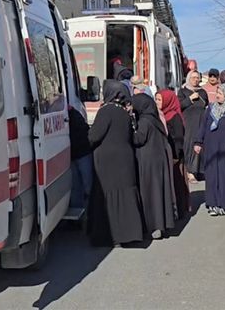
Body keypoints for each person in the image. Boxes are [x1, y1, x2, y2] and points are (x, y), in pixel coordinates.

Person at [87, 80, 145, 247]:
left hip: (108, 161)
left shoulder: (106, 110)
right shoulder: (124, 112)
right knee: (124, 195)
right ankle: (127, 234)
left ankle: (109, 236)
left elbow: (95, 136)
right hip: (125, 158)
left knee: (107, 195)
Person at [194, 83, 225, 216]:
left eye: (220, 94)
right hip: (211, 148)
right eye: (217, 93)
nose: (217, 96)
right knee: (212, 176)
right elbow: (203, 126)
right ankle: (213, 204)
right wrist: (198, 142)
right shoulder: (211, 108)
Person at [132, 93, 176, 239]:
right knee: (159, 193)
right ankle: (161, 225)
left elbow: (138, 139)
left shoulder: (145, 121)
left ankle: (153, 225)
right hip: (158, 160)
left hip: (148, 162)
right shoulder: (154, 118)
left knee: (150, 194)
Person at [157, 88, 191, 218]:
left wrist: (175, 156)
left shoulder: (174, 116)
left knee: (178, 183)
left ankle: (180, 210)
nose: (157, 102)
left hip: (175, 156)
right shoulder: (160, 115)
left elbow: (179, 138)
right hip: (167, 155)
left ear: (168, 101)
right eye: (156, 99)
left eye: (160, 100)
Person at [178, 70, 209, 180]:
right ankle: (190, 171)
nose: (196, 80)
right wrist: (190, 99)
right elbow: (179, 105)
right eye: (193, 78)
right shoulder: (183, 91)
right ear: (188, 78)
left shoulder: (202, 92)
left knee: (200, 144)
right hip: (189, 122)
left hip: (201, 121)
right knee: (189, 145)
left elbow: (206, 104)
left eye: (197, 78)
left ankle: (199, 170)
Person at [68, 105, 93, 211]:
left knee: (78, 187)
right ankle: (89, 211)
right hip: (81, 153)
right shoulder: (75, 114)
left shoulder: (73, 116)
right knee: (85, 185)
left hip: (78, 154)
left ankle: (84, 210)